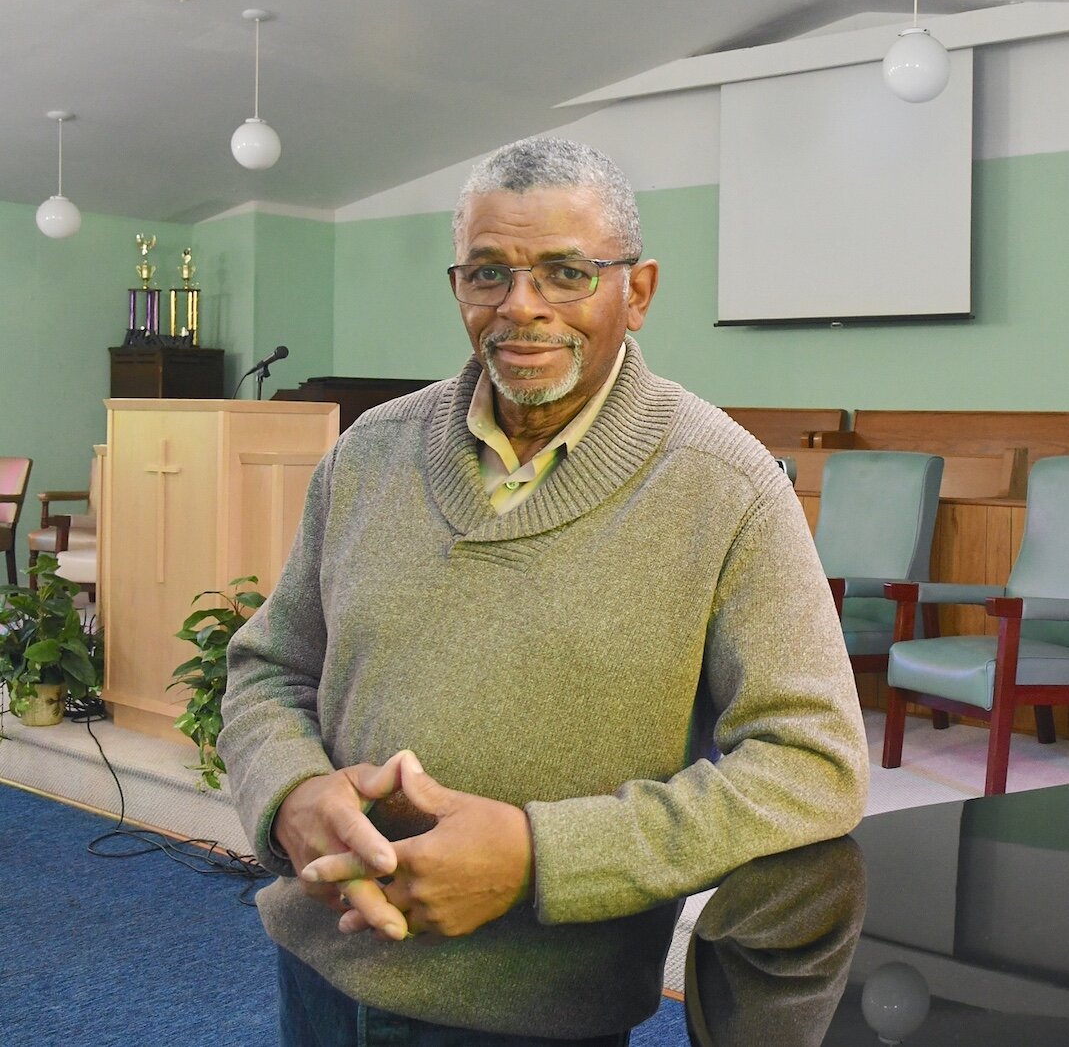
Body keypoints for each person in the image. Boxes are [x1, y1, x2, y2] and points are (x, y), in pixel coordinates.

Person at [218, 135, 869, 1046]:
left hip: (535, 1016)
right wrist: (288, 792)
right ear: (458, 287)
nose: (520, 309)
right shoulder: (368, 452)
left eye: (565, 273)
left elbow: (814, 766)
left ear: (635, 292)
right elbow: (267, 669)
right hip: (321, 976)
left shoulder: (726, 486)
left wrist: (537, 857)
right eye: (488, 274)